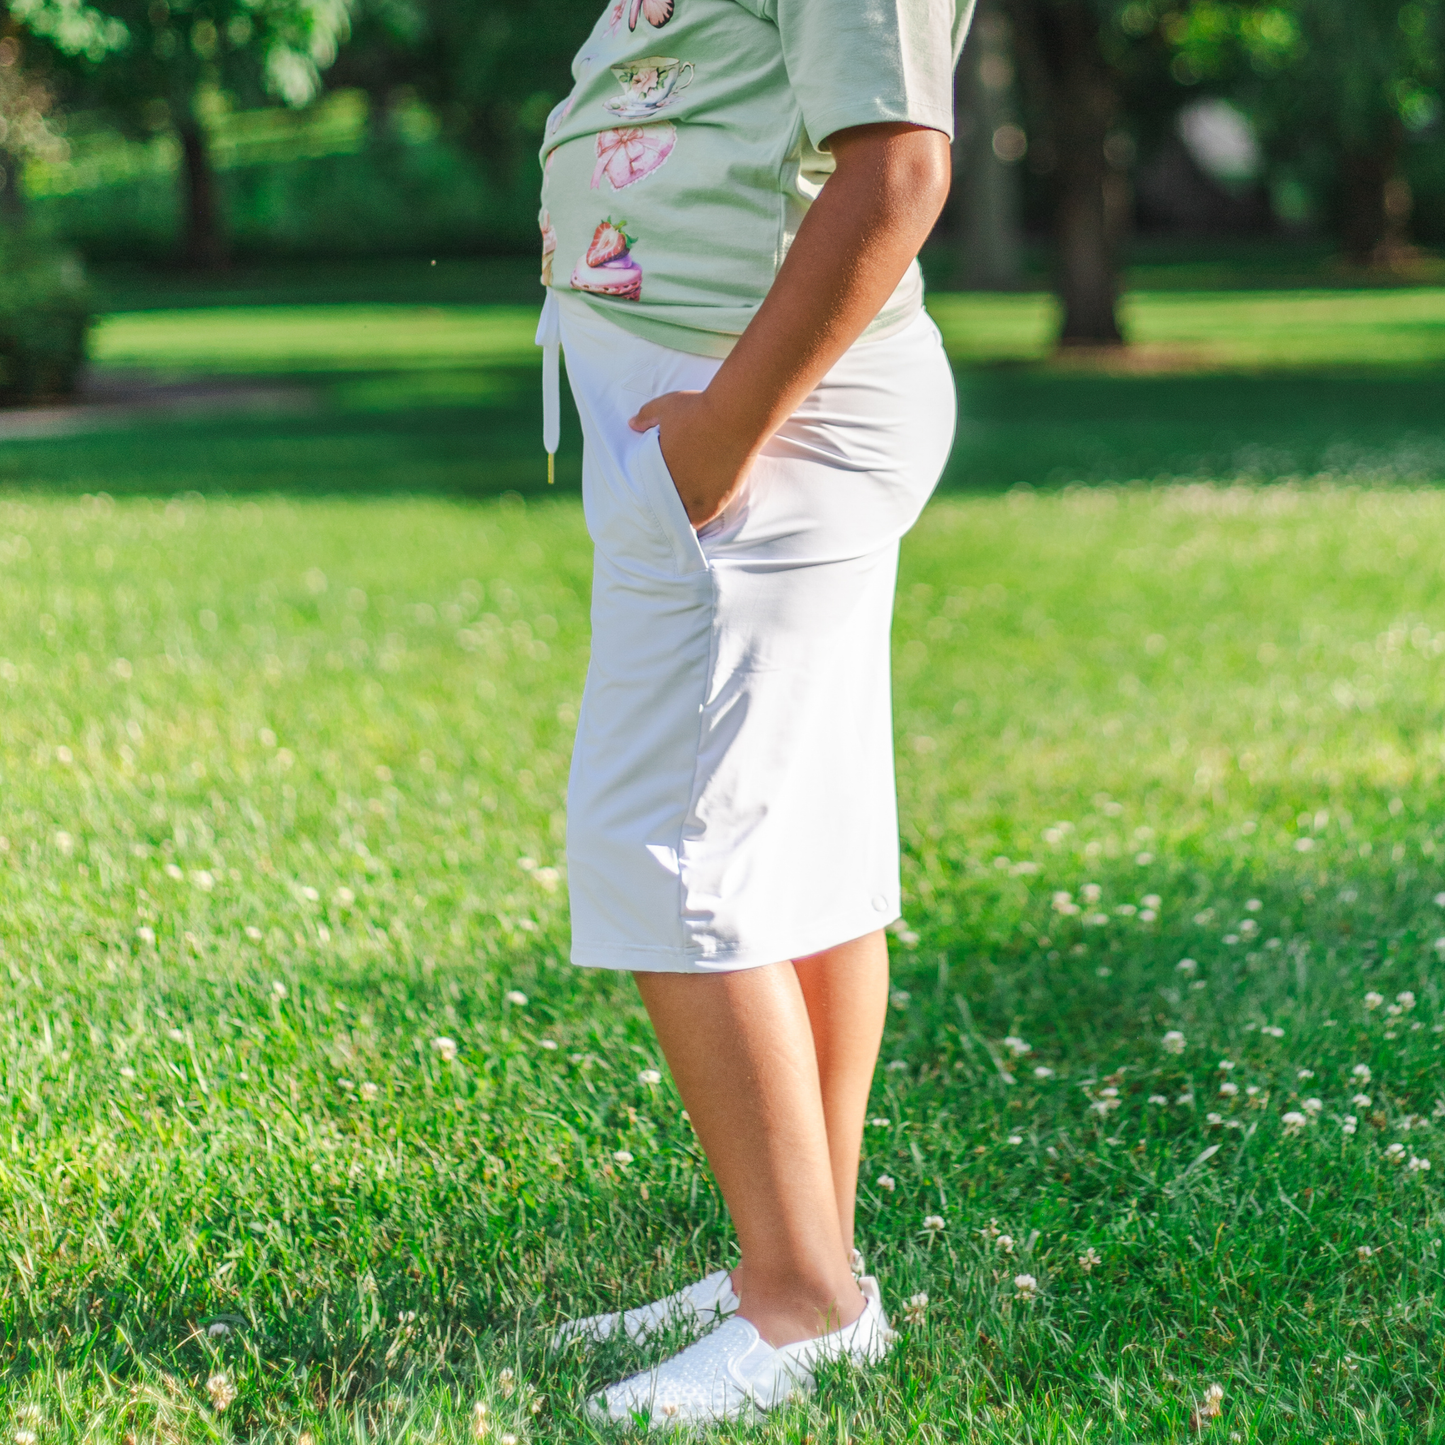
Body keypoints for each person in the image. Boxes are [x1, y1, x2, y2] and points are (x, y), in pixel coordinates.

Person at [534, 0, 971, 1426]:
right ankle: (805, 1263)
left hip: (759, 418)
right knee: (798, 840)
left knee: (667, 842)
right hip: (730, 405)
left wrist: (724, 434)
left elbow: (897, 166)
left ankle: (800, 1310)